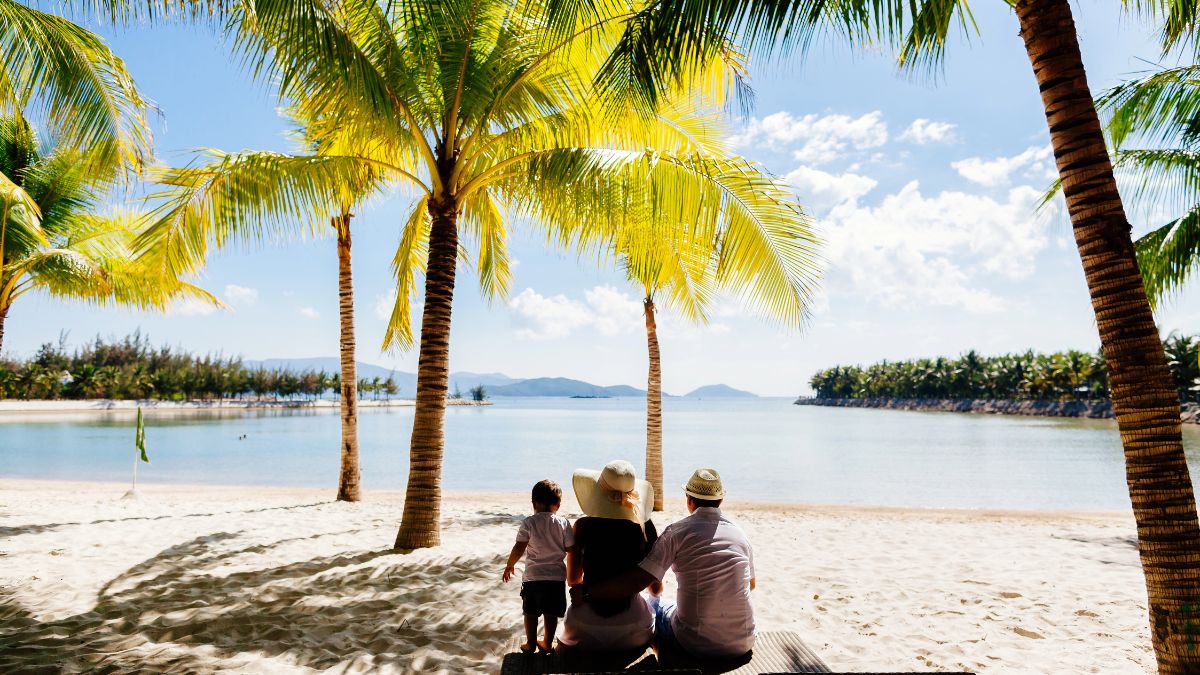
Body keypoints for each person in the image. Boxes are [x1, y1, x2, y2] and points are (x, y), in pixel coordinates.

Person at [571, 468, 756, 659]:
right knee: (662, 603)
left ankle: (663, 660)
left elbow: (640, 580)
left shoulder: (677, 533)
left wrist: (588, 591)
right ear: (721, 501)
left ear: (689, 500)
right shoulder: (740, 534)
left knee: (655, 605)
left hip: (695, 643)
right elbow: (750, 584)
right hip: (744, 640)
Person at [558, 460, 660, 652]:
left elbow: (573, 579)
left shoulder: (583, 526)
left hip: (584, 626)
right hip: (633, 628)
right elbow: (655, 588)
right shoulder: (645, 528)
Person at [503, 479, 574, 653]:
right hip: (556, 578)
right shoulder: (563, 523)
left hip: (533, 577)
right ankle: (547, 643)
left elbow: (519, 547)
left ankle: (531, 643)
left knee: (530, 612)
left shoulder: (529, 523)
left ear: (534, 504)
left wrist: (509, 565)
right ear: (557, 505)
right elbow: (570, 548)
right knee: (551, 614)